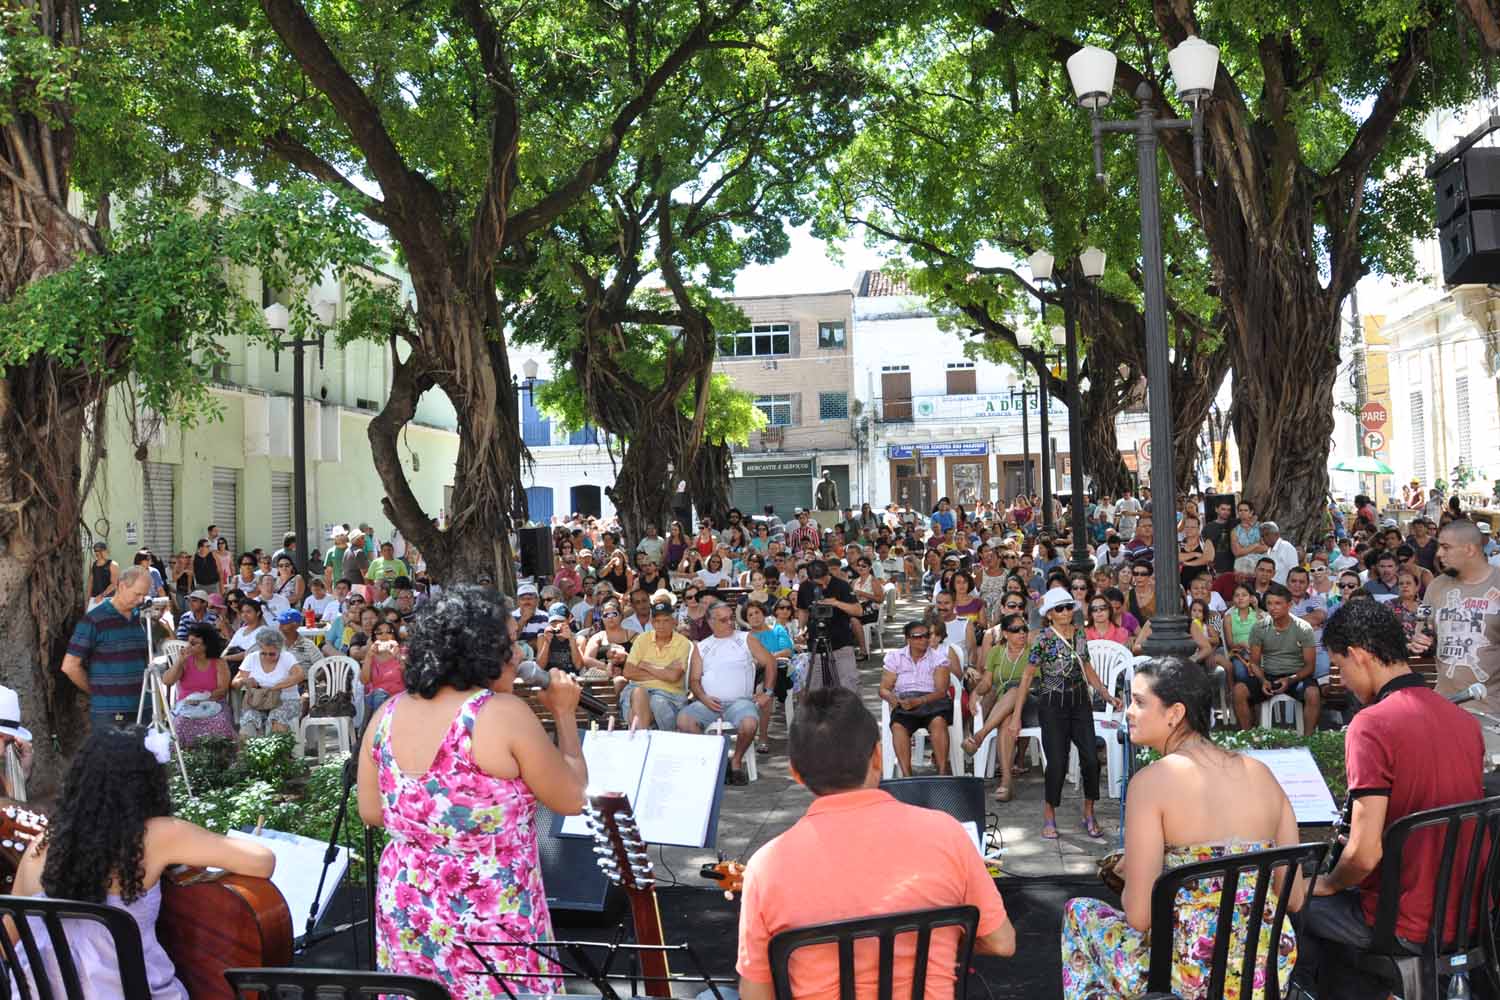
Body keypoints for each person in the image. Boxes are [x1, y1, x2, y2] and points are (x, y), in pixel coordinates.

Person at [356, 585, 585, 996]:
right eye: (511, 644)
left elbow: (372, 812)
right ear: (480, 649)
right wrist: (565, 715)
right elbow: (571, 797)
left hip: (408, 906)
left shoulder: (385, 714)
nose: (520, 656)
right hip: (489, 911)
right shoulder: (499, 714)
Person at [734, 687, 1014, 1000]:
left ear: (797, 774)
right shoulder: (947, 834)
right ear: (878, 756)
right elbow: (1002, 942)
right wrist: (943, 936)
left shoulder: (766, 866)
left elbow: (755, 994)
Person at [1061, 657, 1304, 1000]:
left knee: (1079, 913)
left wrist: (1132, 872)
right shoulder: (1262, 774)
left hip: (1186, 973)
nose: (1128, 711)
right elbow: (1293, 897)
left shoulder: (1151, 782)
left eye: (1140, 702)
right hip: (1262, 971)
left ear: (1175, 713)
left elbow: (1140, 917)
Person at [1293, 598, 1485, 1000]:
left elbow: (1363, 857)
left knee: (1290, 903)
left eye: (1340, 668)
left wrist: (1326, 883)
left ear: (1359, 656)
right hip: (1467, 915)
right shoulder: (1464, 722)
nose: (1341, 681)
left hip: (1402, 920)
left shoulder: (1371, 724)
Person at [7, 726, 276, 998]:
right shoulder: (155, 835)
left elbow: (7, 941)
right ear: (148, 783)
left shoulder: (40, 846)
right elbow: (263, 861)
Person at [1007, 588, 1121, 840]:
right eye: (1060, 608)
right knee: (1057, 763)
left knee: (1091, 759)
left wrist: (1105, 694)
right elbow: (1027, 676)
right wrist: (1016, 716)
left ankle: (1089, 812)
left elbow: (1087, 666)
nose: (1066, 612)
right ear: (1049, 614)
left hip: (1079, 701)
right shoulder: (1042, 639)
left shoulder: (1079, 633)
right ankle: (1049, 814)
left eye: (1069, 607)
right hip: (1052, 704)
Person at [678, 601, 776, 784]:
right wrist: (704, 698)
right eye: (723, 620)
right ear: (711, 622)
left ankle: (736, 761)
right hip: (709, 703)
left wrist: (768, 692)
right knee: (684, 720)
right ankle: (713, 762)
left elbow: (770, 662)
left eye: (731, 618)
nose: (730, 623)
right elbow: (694, 681)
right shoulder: (702, 647)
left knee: (749, 724)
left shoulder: (746, 639)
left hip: (740, 702)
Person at [1425, 517, 1500, 753]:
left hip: (1490, 714)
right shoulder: (1437, 586)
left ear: (1469, 549)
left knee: (1488, 788)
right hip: (1444, 708)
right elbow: (1425, 633)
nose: (1439, 553)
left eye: (1446, 547)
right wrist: (1422, 641)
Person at [61, 565, 162, 730]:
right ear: (121, 586)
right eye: (137, 594)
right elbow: (70, 666)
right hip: (109, 713)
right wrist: (97, 691)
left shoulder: (143, 618)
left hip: (144, 707)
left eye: (144, 595)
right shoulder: (94, 620)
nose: (140, 600)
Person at [1232, 583, 1320, 733]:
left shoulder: (1303, 628)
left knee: (1313, 693)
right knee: (1239, 690)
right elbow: (1254, 663)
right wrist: (1262, 680)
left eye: (1278, 603)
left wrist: (1290, 679)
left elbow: (1310, 666)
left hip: (1295, 677)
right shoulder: (1259, 628)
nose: (1273, 608)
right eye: (1269, 603)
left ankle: (1308, 740)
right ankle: (1247, 738)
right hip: (1268, 675)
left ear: (1289, 605)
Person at [963, 611, 1031, 801]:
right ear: (1006, 634)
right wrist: (975, 693)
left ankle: (980, 735)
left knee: (1014, 690)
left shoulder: (1033, 651)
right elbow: (987, 682)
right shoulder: (996, 652)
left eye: (1024, 629)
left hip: (1031, 701)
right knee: (1006, 721)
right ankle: (1006, 783)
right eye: (1016, 630)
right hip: (1005, 708)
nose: (1022, 633)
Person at [879, 618, 957, 778]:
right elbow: (884, 689)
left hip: (932, 701)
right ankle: (907, 776)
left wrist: (919, 701)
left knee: (938, 723)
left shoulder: (938, 658)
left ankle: (942, 772)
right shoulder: (895, 657)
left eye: (926, 636)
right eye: (918, 636)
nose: (924, 640)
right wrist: (895, 701)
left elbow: (942, 691)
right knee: (898, 727)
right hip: (905, 701)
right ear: (908, 639)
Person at [620, 600, 694, 731]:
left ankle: (641, 739)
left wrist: (645, 665)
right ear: (652, 622)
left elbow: (673, 677)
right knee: (638, 693)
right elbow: (628, 672)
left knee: (654, 703)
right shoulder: (642, 639)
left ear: (674, 621)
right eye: (657, 621)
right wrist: (664, 671)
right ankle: (644, 736)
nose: (661, 625)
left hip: (669, 695)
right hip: (639, 690)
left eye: (666, 620)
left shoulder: (683, 643)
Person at [161, 624, 235, 747]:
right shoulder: (185, 662)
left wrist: (201, 699)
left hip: (214, 704)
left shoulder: (219, 663)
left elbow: (222, 690)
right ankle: (183, 759)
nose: (188, 646)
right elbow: (167, 681)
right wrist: (179, 661)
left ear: (206, 645)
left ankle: (220, 757)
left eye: (194, 643)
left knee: (221, 721)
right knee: (180, 723)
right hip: (186, 706)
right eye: (188, 642)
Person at [795, 559, 862, 690]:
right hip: (815, 644)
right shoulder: (804, 587)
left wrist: (836, 603)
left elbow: (858, 611)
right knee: (815, 688)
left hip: (840, 643)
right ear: (810, 579)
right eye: (819, 583)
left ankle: (850, 711)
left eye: (825, 580)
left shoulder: (841, 585)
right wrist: (801, 629)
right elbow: (802, 609)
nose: (824, 586)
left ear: (828, 573)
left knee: (848, 686)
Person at [232, 626, 306, 739]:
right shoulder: (251, 658)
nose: (267, 657)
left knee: (277, 720)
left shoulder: (287, 657)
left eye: (272, 654)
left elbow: (300, 675)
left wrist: (276, 687)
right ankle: (249, 755)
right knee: (248, 725)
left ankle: (279, 755)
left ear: (279, 649)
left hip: (285, 700)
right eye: (263, 653)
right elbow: (235, 683)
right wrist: (245, 681)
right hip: (257, 703)